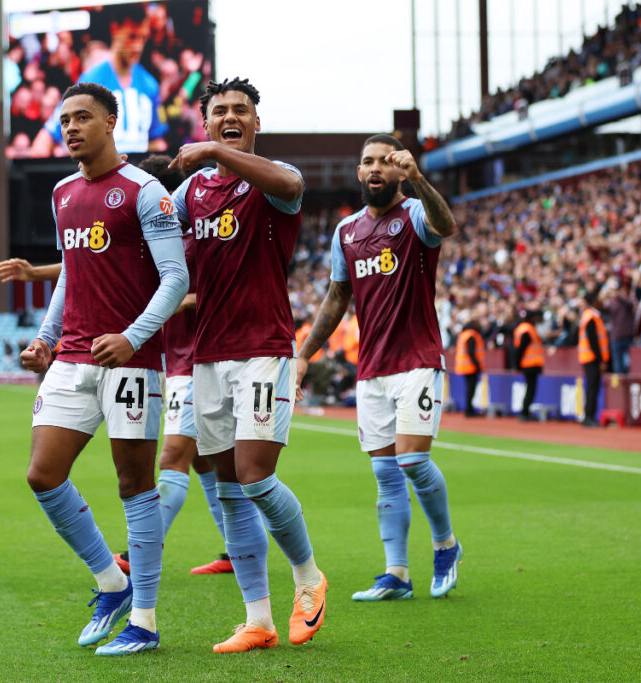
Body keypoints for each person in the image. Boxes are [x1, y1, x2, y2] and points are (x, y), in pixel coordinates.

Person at [0, 155, 230, 577]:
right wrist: (41, 296)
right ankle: (225, 551)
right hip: (153, 353)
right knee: (201, 461)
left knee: (174, 459)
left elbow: (192, 285)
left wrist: (140, 327)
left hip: (186, 355)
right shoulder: (71, 196)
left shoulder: (187, 233)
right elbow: (88, 258)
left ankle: (142, 566)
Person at [20, 83, 188, 656]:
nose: (70, 127)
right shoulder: (64, 191)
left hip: (132, 360)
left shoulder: (146, 192)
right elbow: (71, 270)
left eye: (83, 117)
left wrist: (133, 336)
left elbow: (176, 278)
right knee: (43, 475)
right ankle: (112, 582)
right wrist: (45, 337)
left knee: (134, 485)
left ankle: (144, 621)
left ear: (112, 122)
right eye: (64, 119)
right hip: (72, 356)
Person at [168, 77, 326, 653]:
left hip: (263, 348)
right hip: (207, 356)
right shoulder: (189, 197)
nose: (231, 116)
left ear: (256, 123)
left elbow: (292, 182)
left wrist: (212, 153)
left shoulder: (271, 183)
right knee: (229, 486)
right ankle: (256, 619)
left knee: (256, 476)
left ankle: (308, 576)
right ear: (205, 119)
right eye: (220, 112)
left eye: (242, 111)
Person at [297, 134, 463, 604]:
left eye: (385, 162)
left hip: (417, 359)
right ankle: (397, 573)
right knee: (386, 474)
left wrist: (419, 180)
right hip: (371, 370)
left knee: (411, 459)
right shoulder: (346, 231)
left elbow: (446, 225)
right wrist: (304, 354)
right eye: (367, 161)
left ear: (398, 171)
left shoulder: (413, 214)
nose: (375, 169)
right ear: (358, 172)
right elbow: (336, 299)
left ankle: (445, 544)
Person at [30, 5, 167, 157]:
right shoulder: (91, 81)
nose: (138, 46)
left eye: (143, 38)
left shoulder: (150, 85)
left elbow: (157, 140)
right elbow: (46, 138)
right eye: (132, 37)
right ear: (115, 29)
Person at [578, 290, 609, 427]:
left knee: (592, 387)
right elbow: (593, 341)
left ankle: (589, 416)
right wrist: (600, 359)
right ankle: (589, 417)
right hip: (592, 358)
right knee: (592, 388)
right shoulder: (591, 317)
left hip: (589, 357)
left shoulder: (589, 316)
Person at [513, 308, 545, 421]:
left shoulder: (525, 328)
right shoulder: (527, 329)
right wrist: (518, 364)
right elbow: (521, 348)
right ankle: (524, 412)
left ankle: (525, 411)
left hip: (530, 364)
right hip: (530, 364)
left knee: (530, 389)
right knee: (530, 389)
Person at [455, 322, 485, 417]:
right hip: (470, 367)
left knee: (469, 389)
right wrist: (477, 365)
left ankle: (469, 409)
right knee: (471, 389)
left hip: (464, 366)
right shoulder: (471, 336)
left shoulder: (464, 334)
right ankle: (469, 410)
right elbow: (471, 352)